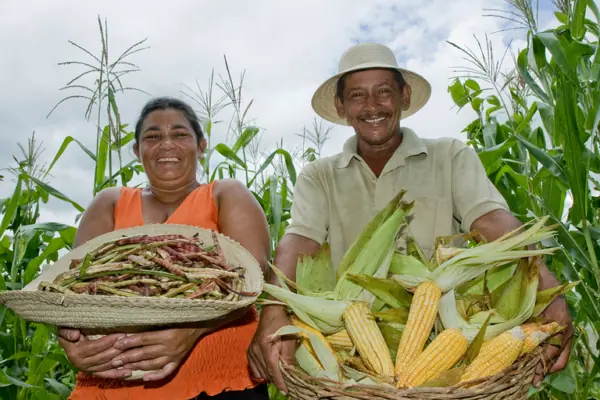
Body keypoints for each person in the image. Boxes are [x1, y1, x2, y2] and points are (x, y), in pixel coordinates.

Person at [248, 42, 573, 394]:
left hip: (441, 338)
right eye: (357, 96)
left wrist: (544, 285)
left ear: (404, 96)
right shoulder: (319, 175)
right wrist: (275, 310)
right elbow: (299, 241)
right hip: (353, 349)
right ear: (341, 106)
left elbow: (490, 219)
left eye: (383, 92)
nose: (372, 106)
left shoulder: (449, 156)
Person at [58, 97, 271, 400]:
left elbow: (254, 275)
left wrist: (191, 332)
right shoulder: (110, 202)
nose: (166, 144)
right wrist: (71, 339)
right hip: (117, 381)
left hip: (217, 382)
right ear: (137, 150)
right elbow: (73, 286)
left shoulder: (225, 194)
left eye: (180, 134)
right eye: (153, 136)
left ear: (201, 145)